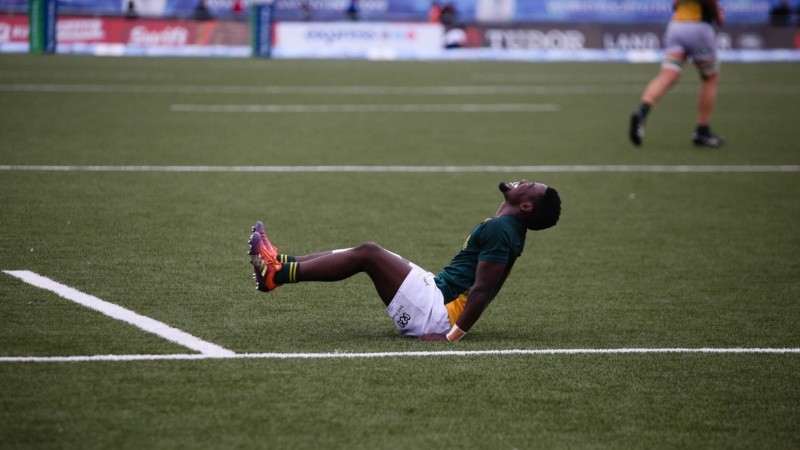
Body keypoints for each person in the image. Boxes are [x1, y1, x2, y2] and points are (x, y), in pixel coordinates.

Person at [247, 180, 561, 342]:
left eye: (530, 186)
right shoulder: (506, 228)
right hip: (437, 292)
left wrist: (451, 336)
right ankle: (279, 262)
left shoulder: (502, 230)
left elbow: (482, 290)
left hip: (436, 312)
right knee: (365, 251)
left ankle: (276, 274)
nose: (524, 180)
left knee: (368, 254)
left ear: (526, 206)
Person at [629, 0, 726, 148]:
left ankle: (642, 112)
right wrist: (718, 14)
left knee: (668, 75)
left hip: (676, 27)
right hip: (698, 28)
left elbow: (675, 4)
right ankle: (702, 130)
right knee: (710, 77)